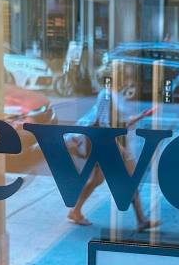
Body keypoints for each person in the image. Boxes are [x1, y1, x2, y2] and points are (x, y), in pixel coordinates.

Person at [66, 66, 159, 232]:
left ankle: (75, 211)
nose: (125, 80)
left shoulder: (114, 95)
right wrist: (120, 148)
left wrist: (141, 116)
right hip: (101, 142)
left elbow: (116, 123)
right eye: (122, 76)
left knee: (97, 180)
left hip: (102, 141)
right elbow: (101, 124)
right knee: (130, 176)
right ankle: (141, 220)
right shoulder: (106, 94)